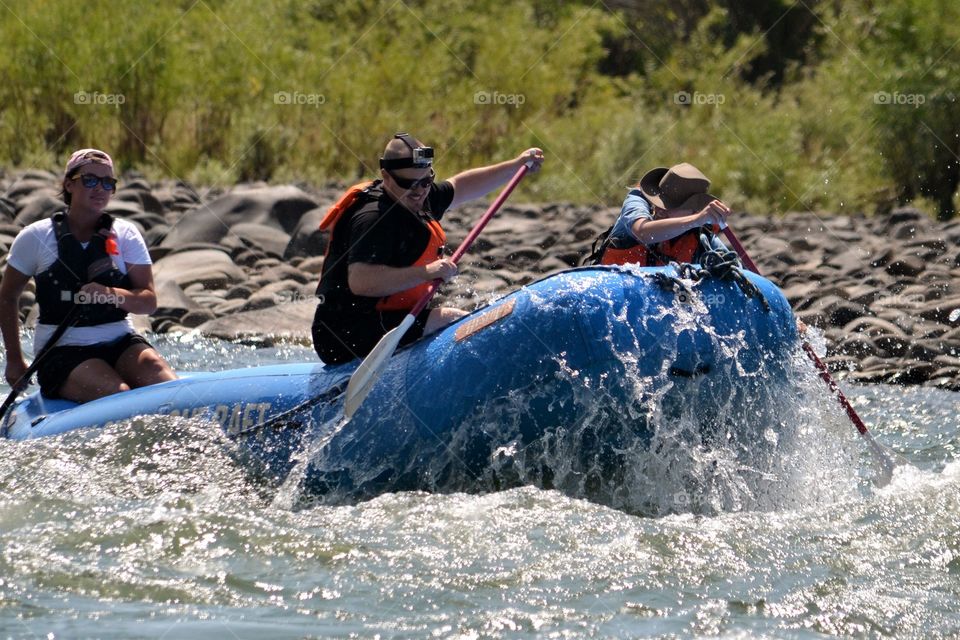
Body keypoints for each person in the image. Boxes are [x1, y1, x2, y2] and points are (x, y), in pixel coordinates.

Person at [312, 132, 545, 365]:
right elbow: (361, 281)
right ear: (386, 176)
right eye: (409, 184)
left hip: (386, 319)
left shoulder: (417, 196)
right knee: (451, 319)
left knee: (452, 319)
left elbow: (461, 186)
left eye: (426, 181)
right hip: (342, 334)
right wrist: (427, 272)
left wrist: (514, 166)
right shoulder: (374, 218)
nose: (420, 191)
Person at [0, 148, 176, 402]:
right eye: (90, 180)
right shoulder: (35, 237)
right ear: (69, 184)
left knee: (163, 381)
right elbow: (7, 296)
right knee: (118, 394)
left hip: (121, 343)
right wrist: (15, 360)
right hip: (61, 351)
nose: (100, 188)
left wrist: (110, 294)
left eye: (108, 182)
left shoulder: (126, 234)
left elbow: (148, 302)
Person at [586, 162, 731, 266]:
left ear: (693, 210)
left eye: (671, 206)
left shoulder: (703, 236)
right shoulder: (637, 202)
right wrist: (696, 219)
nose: (660, 209)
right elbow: (642, 232)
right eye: (660, 201)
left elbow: (735, 268)